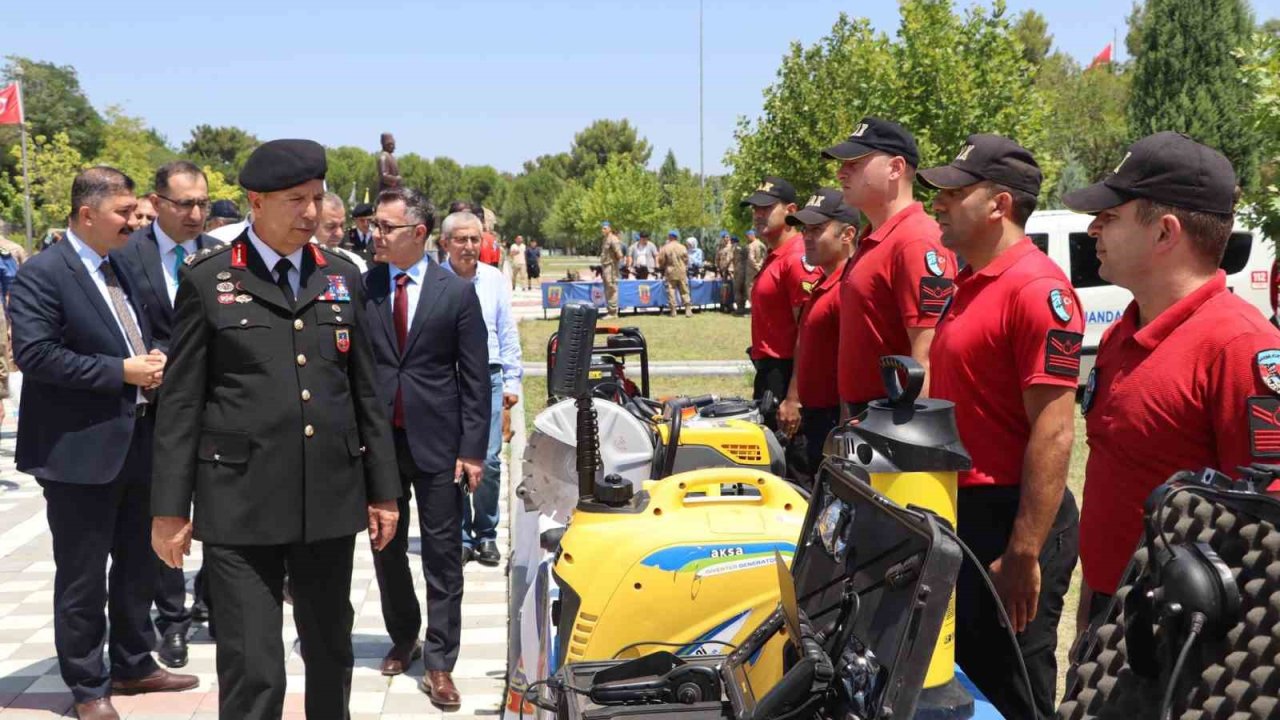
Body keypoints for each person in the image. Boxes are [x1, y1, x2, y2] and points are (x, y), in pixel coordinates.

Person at [150, 139, 401, 719]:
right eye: (296, 200)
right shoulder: (209, 279)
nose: (311, 213)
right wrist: (169, 507)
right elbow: (182, 401)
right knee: (253, 667)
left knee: (331, 650)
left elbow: (365, 391)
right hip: (241, 501)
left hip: (327, 499)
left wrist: (383, 490)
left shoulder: (342, 277)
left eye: (316, 198)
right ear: (255, 202)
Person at [1063, 132, 1280, 631]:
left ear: (1165, 233)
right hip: (1110, 614)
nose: (1093, 228)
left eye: (1111, 216)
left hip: (1183, 637)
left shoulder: (1241, 348)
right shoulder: (1127, 326)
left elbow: (1266, 535)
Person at [12, 166, 199, 720]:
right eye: (124, 213)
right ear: (87, 214)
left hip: (139, 442)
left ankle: (133, 663)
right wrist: (121, 370)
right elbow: (37, 354)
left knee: (140, 565)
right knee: (83, 576)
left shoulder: (119, 266)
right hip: (79, 453)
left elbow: (145, 330)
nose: (135, 222)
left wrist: (157, 359)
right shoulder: (44, 274)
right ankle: (88, 685)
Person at [920, 135, 1082, 719]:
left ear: (999, 204)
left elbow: (1056, 432)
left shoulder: (1037, 290)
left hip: (1011, 521)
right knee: (971, 681)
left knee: (1013, 690)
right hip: (967, 514)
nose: (938, 203)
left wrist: (1024, 550)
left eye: (955, 192)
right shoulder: (970, 283)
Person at [363, 191, 490, 708]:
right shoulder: (362, 287)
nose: (377, 235)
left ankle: (440, 661)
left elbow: (475, 377)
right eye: (375, 225)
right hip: (380, 442)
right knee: (385, 547)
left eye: (387, 227)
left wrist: (473, 450)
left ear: (418, 233)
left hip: (440, 445)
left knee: (441, 557)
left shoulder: (454, 292)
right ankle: (403, 635)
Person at [112, 160, 218, 670]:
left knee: (222, 507)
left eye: (203, 203)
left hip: (219, 410)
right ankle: (171, 622)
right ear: (156, 204)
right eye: (185, 204)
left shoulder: (222, 257)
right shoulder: (127, 256)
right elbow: (123, 323)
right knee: (167, 512)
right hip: (154, 410)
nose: (197, 213)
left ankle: (216, 603)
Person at [825, 117, 956, 416]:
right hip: (868, 418)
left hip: (894, 422)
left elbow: (927, 357)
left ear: (895, 168)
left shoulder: (915, 241)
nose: (840, 172)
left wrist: (912, 441)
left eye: (855, 163)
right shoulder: (876, 237)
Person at [441, 212, 522, 568]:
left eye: (476, 240)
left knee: (487, 460)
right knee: (451, 463)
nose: (469, 247)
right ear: (445, 243)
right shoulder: (435, 280)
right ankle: (459, 535)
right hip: (446, 379)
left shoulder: (492, 280)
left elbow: (507, 332)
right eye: (461, 239)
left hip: (487, 378)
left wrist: (512, 381)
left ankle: (486, 533)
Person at [777, 189, 856, 474]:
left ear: (847, 235)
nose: (807, 237)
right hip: (814, 416)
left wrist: (845, 428)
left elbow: (853, 359)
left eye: (817, 230)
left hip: (833, 420)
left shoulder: (848, 288)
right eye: (805, 230)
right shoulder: (824, 282)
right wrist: (795, 396)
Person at [740, 176, 818, 437]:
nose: (757, 214)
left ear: (791, 211)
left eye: (766, 208)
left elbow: (809, 332)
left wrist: (794, 396)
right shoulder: (775, 255)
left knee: (792, 461)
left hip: (787, 376)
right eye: (755, 208)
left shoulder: (796, 258)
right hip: (770, 374)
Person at [314, 192, 368, 272]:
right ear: (312, 224)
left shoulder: (355, 263)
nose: (339, 234)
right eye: (331, 226)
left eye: (342, 225)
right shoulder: (298, 262)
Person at [658, 230, 692, 317]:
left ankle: (673, 311)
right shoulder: (682, 247)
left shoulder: (665, 247)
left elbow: (661, 260)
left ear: (670, 237)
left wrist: (663, 266)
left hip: (670, 272)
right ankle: (688, 310)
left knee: (671, 291)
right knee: (684, 291)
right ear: (677, 237)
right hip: (681, 272)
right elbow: (686, 259)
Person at [599, 221, 623, 316]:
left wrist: (614, 263)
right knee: (607, 289)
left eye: (605, 228)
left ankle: (613, 312)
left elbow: (619, 254)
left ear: (609, 228)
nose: (603, 230)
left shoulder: (613, 239)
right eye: (602, 228)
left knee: (612, 288)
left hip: (611, 267)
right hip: (605, 267)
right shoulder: (605, 239)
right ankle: (609, 310)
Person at [732, 231, 751, 313]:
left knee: (738, 289)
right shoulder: (746, 247)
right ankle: (743, 307)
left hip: (738, 270)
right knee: (744, 289)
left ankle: (740, 308)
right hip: (746, 270)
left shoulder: (734, 248)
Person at [716, 232, 735, 312]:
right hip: (723, 270)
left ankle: (731, 304)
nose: (726, 239)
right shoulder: (719, 248)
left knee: (733, 288)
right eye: (725, 237)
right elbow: (717, 259)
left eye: (728, 237)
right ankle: (723, 305)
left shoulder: (733, 247)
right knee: (724, 288)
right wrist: (718, 268)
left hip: (732, 270)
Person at [746, 229, 767, 297]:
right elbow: (765, 256)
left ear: (752, 235)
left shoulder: (751, 245)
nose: (747, 238)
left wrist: (757, 267)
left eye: (748, 236)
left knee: (751, 287)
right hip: (762, 269)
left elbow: (751, 259)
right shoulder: (762, 244)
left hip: (752, 271)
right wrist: (761, 266)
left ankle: (753, 305)